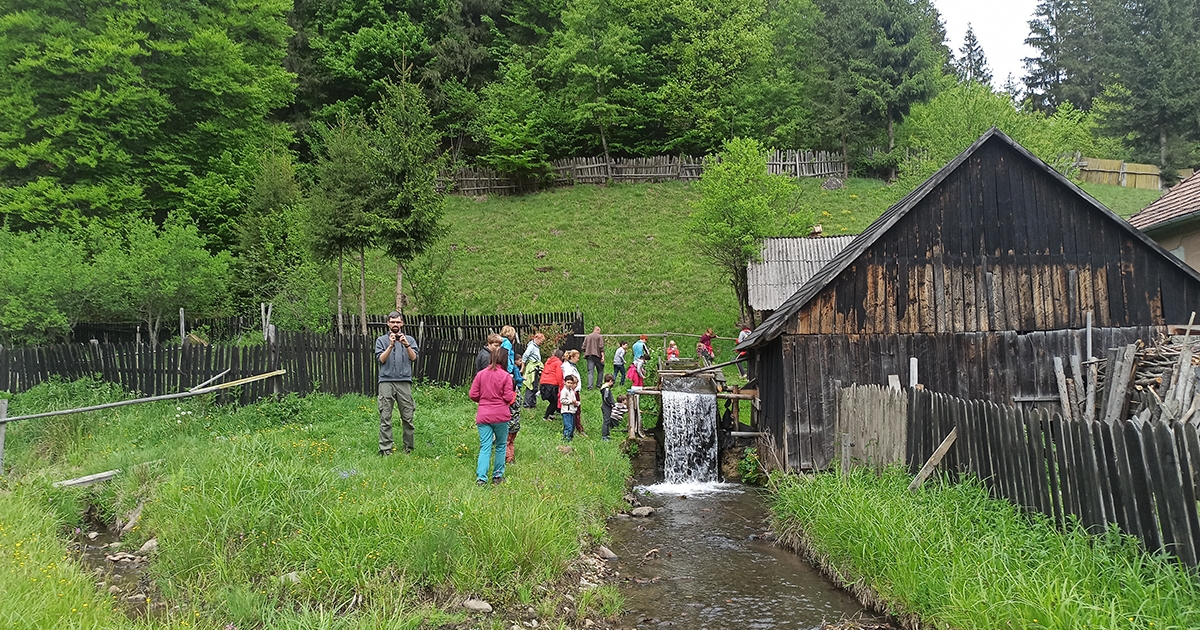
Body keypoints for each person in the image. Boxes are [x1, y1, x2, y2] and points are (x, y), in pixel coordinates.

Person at [375, 311, 419, 455]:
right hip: (386, 382)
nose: (395, 325)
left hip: (404, 382)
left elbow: (414, 358)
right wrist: (391, 345)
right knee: (385, 416)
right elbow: (381, 359)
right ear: (388, 323)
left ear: (402, 324)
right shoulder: (381, 340)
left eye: (398, 322)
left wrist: (406, 344)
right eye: (392, 322)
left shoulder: (410, 340)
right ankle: (385, 449)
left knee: (407, 416)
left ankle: (409, 448)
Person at [469, 346, 514, 485]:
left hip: (483, 415)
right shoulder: (506, 376)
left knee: (485, 446)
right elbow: (508, 397)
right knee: (501, 445)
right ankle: (497, 476)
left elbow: (473, 394)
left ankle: (481, 478)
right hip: (501, 416)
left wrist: (483, 401)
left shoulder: (481, 374)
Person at [499, 326, 523, 464]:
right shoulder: (507, 344)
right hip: (509, 376)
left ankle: (508, 455)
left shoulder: (502, 343)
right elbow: (506, 360)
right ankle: (508, 456)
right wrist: (510, 373)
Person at [562, 350, 585, 436]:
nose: (578, 359)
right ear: (572, 357)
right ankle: (576, 428)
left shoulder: (572, 366)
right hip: (572, 391)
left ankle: (575, 428)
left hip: (575, 390)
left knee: (577, 409)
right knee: (576, 410)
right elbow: (569, 379)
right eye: (577, 358)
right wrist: (573, 387)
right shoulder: (568, 367)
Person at [540, 349, 564, 421]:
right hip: (552, 384)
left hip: (543, 382)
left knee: (552, 400)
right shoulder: (559, 363)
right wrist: (561, 385)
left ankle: (552, 414)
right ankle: (546, 416)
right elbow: (559, 375)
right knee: (555, 401)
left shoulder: (548, 362)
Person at [559, 374, 580, 441]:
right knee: (568, 426)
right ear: (565, 382)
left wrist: (576, 403)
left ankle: (570, 438)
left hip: (572, 410)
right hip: (566, 411)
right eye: (568, 382)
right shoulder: (564, 391)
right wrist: (571, 401)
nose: (570, 384)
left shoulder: (571, 391)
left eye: (571, 383)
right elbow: (562, 400)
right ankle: (566, 439)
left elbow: (573, 399)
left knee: (572, 426)